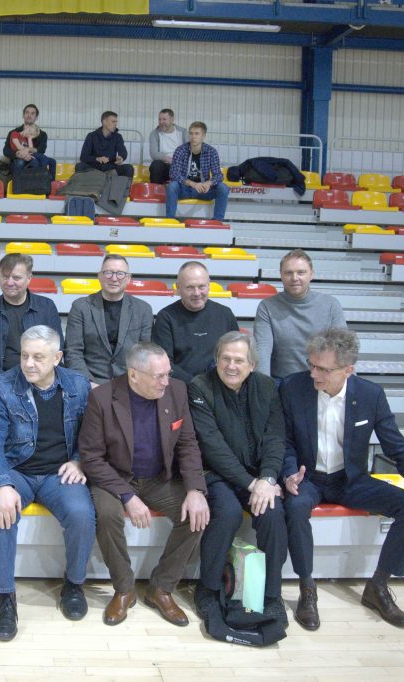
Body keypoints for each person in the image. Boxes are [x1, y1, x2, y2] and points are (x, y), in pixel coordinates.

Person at [281, 328, 404, 630]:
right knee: (295, 506)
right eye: (311, 365)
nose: (314, 374)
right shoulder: (292, 387)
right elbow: (285, 441)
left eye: (324, 369)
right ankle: (306, 587)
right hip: (308, 477)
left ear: (348, 370)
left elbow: (397, 447)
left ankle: (378, 585)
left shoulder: (370, 395)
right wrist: (289, 472)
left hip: (350, 479)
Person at [0, 325, 96, 641]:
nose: (28, 363)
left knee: (82, 514)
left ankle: (74, 584)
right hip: (17, 471)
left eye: (38, 357)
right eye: (24, 355)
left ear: (57, 357)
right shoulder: (0, 388)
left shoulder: (78, 385)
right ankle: (5, 597)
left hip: (60, 473)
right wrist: (0, 484)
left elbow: (94, 433)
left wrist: (80, 460)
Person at [79, 342, 209, 627]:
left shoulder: (177, 391)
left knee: (196, 515)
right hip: (115, 478)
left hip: (159, 478)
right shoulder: (102, 398)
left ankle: (161, 588)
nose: (166, 381)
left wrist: (195, 490)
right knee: (108, 515)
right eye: (158, 376)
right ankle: (124, 588)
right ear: (133, 374)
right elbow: (91, 458)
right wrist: (127, 496)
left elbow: (187, 443)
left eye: (167, 373)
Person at [188, 331, 288, 624]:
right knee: (228, 512)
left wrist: (268, 478)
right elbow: (212, 446)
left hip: (257, 476)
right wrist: (251, 483)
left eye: (239, 360)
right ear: (216, 359)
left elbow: (275, 438)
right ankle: (207, 588)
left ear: (252, 364)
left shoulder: (267, 387)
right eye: (225, 359)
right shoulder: (199, 387)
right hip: (215, 473)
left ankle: (271, 594)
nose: (231, 366)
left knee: (272, 512)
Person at [253, 248, 347, 379]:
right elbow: (262, 352)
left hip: (322, 379)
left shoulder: (331, 304)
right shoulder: (267, 307)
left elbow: (343, 349)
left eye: (301, 272)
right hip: (282, 381)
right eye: (288, 273)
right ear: (281, 275)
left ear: (311, 274)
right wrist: (263, 387)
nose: (294, 278)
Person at [65, 254, 153, 387]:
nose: (114, 278)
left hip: (131, 384)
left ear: (128, 278)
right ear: (100, 276)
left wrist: (134, 384)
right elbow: (73, 352)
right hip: (91, 383)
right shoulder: (81, 307)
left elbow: (145, 354)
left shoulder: (143, 309)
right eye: (108, 273)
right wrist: (88, 384)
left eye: (120, 274)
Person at [0, 253, 63, 380]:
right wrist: (3, 382)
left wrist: (39, 378)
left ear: (29, 278)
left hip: (41, 378)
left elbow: (56, 347)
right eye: (5, 277)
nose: (10, 282)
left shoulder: (47, 307)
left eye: (16, 278)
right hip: (1, 380)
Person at [152, 261, 239, 383]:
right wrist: (196, 385)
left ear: (209, 285)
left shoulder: (225, 314)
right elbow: (164, 362)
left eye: (201, 286)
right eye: (190, 287)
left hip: (221, 385)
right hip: (181, 386)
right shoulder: (166, 317)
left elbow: (237, 354)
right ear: (178, 288)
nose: (197, 293)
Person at [165, 121, 229, 221]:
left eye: (197, 134)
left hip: (203, 190)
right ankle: (170, 220)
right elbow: (174, 174)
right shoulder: (180, 150)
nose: (193, 137)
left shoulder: (211, 151)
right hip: (185, 189)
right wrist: (193, 184)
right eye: (191, 133)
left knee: (223, 188)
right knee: (172, 186)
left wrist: (209, 183)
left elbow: (218, 175)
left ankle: (217, 221)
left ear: (203, 136)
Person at [3, 103, 56, 178]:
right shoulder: (14, 132)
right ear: (23, 115)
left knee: (51, 161)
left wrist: (28, 149)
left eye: (32, 113)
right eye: (27, 112)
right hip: (17, 159)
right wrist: (19, 155)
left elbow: (41, 150)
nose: (29, 115)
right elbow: (6, 150)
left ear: (36, 117)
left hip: (34, 158)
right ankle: (18, 184)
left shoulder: (42, 134)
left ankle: (48, 182)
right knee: (21, 162)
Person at [76, 111, 134, 178]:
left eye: (116, 122)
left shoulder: (118, 137)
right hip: (94, 167)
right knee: (80, 166)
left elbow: (123, 152)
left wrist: (121, 158)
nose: (115, 124)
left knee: (129, 168)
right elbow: (83, 157)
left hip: (111, 167)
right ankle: (87, 184)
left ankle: (120, 185)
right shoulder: (91, 136)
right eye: (113, 121)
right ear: (104, 122)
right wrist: (97, 159)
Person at [147, 108, 188, 185]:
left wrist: (177, 162)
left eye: (164, 119)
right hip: (164, 165)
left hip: (180, 165)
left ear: (172, 120)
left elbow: (189, 150)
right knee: (156, 165)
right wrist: (168, 159)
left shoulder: (183, 132)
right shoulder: (154, 134)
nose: (161, 122)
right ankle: (156, 189)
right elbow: (154, 154)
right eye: (159, 119)